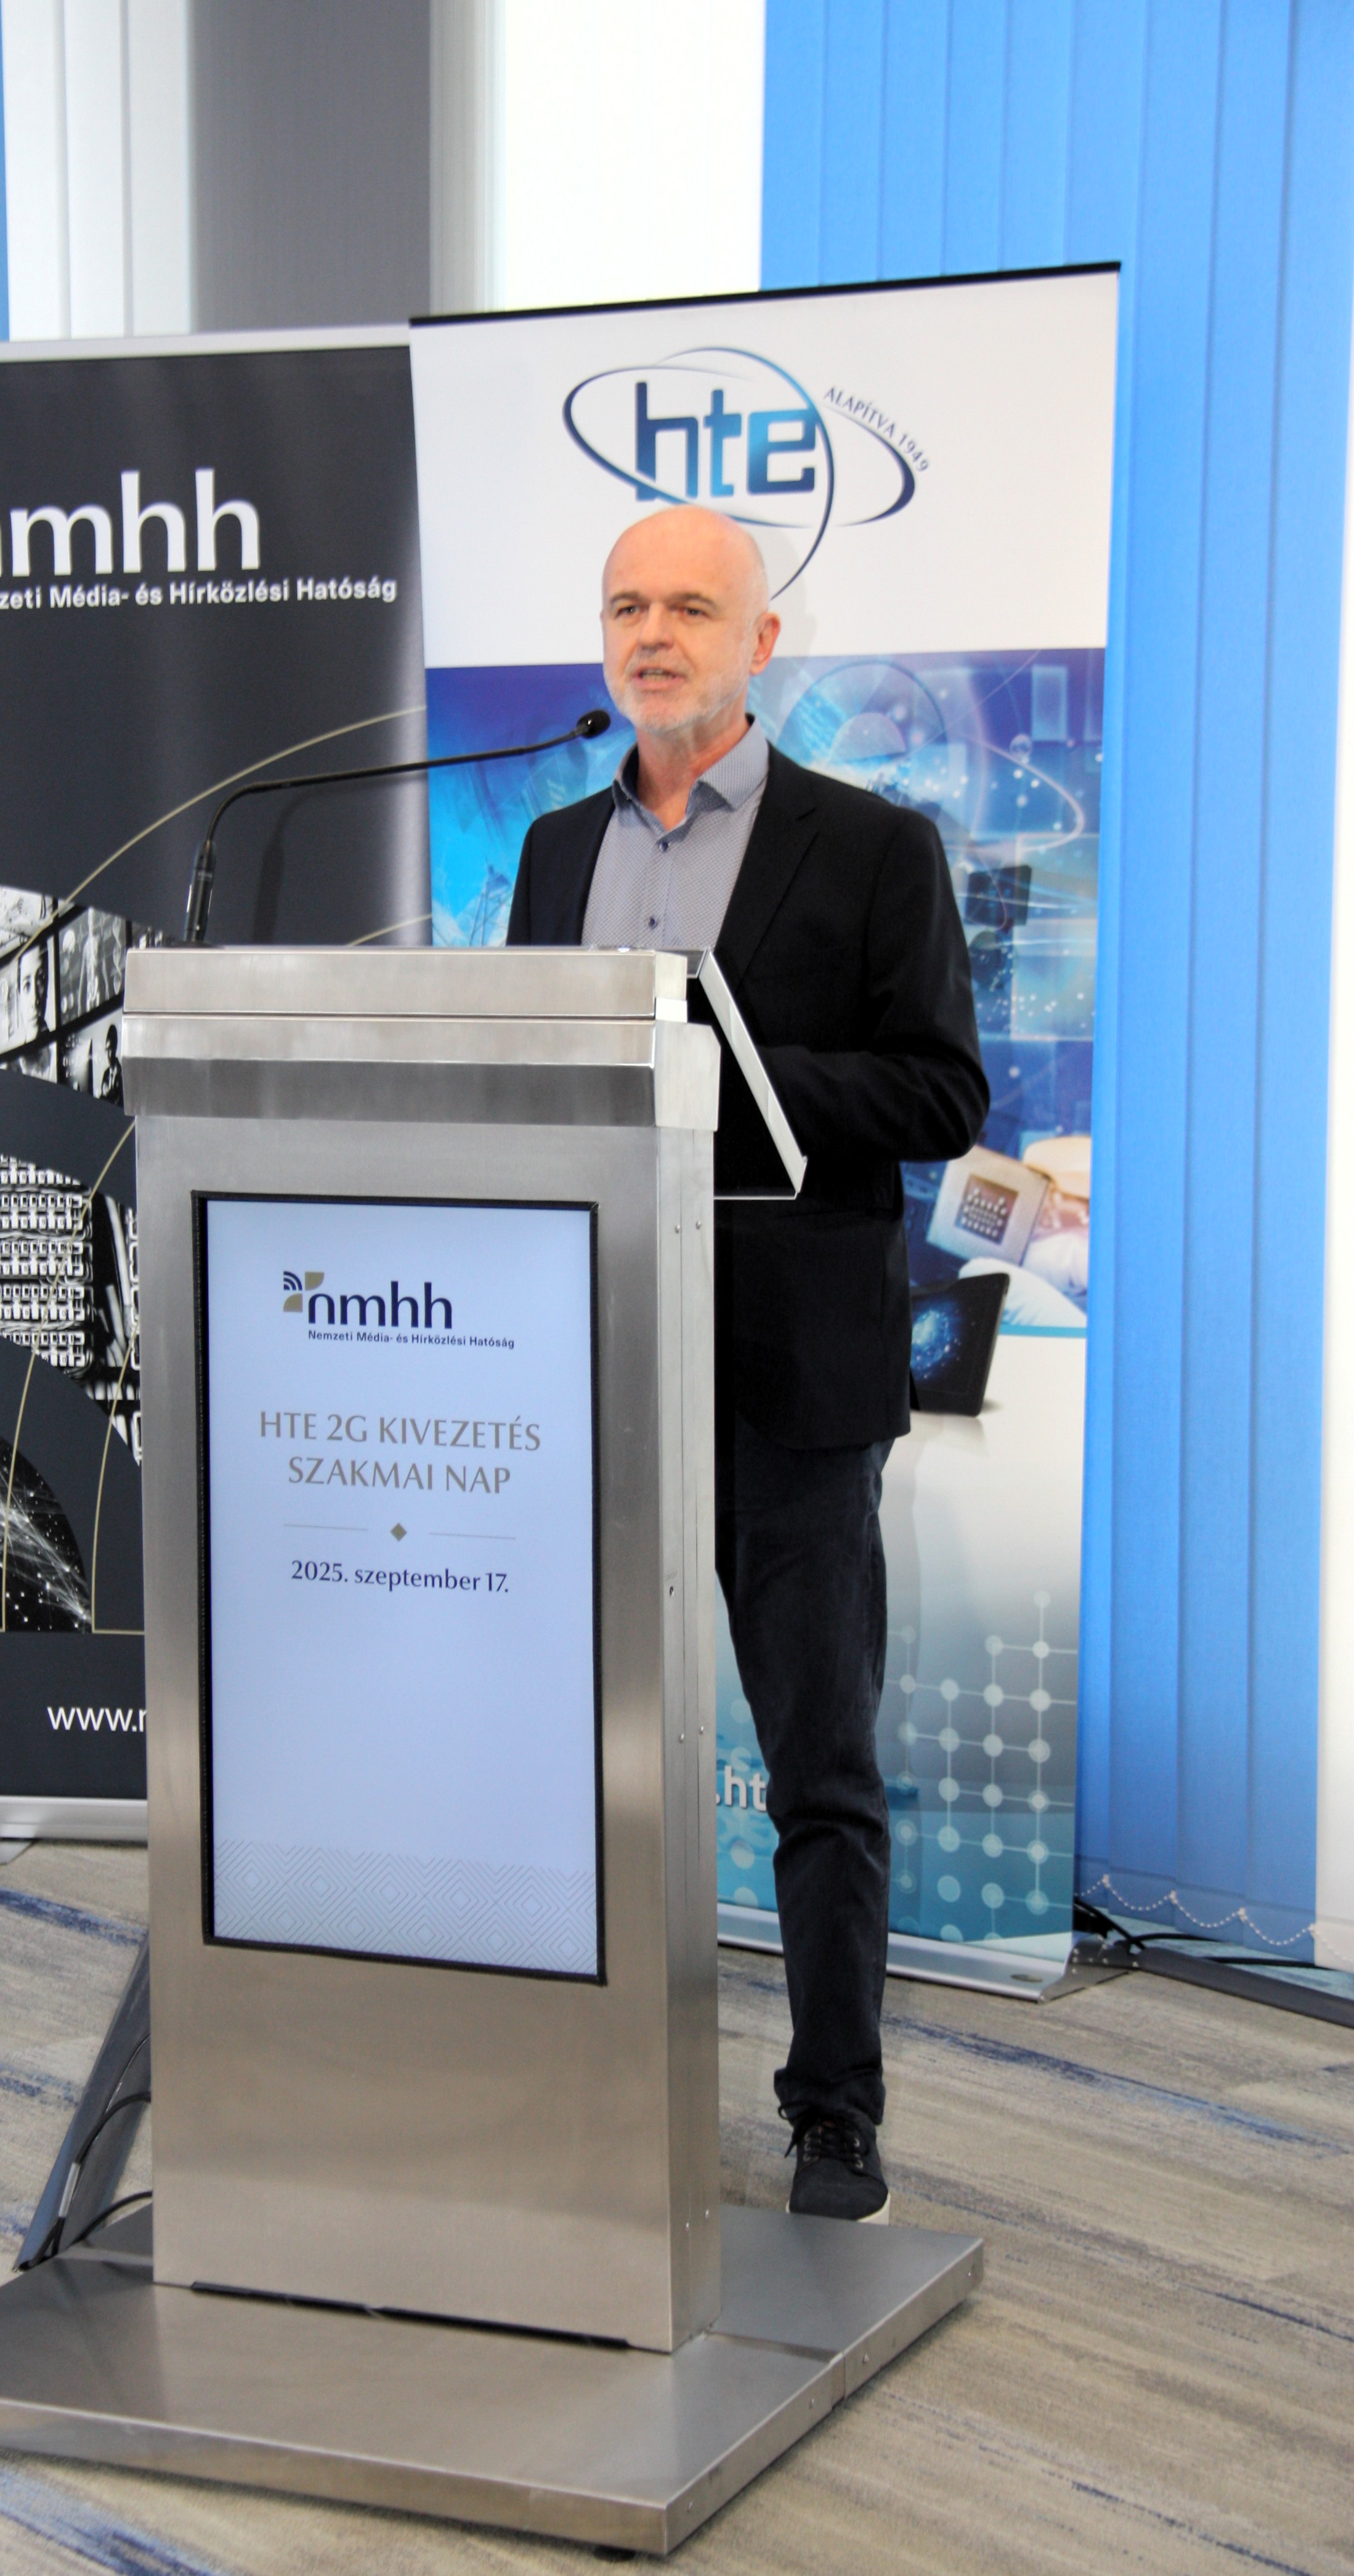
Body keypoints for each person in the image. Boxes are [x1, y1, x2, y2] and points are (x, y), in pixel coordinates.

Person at [506, 506, 987, 2222]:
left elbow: (942, 1093)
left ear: (760, 642)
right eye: (627, 604)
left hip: (791, 1379)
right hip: (593, 1362)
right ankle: (579, 2078)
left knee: (816, 1767)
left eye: (691, 608)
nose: (653, 634)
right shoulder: (556, 849)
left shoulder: (873, 848)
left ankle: (832, 2111)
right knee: (576, 1753)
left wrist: (736, 1069)